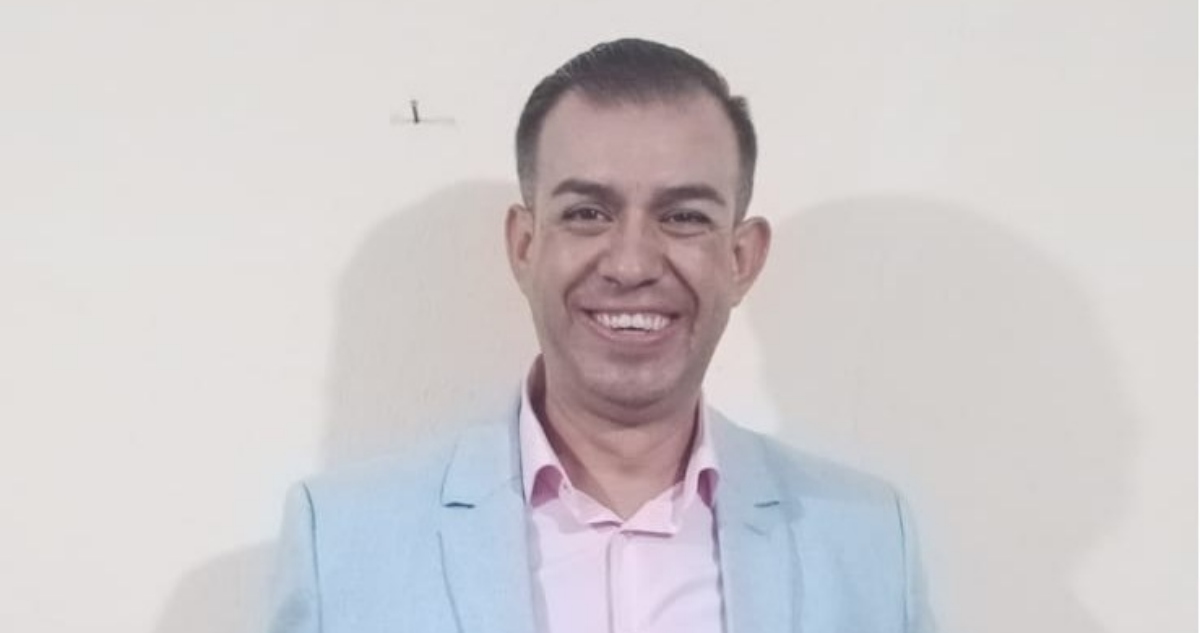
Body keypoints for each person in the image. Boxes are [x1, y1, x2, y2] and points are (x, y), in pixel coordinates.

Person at [268, 38, 934, 633]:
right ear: (525, 246)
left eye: (683, 216)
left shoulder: (869, 541)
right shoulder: (342, 541)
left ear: (741, 258)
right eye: (588, 213)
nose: (631, 264)